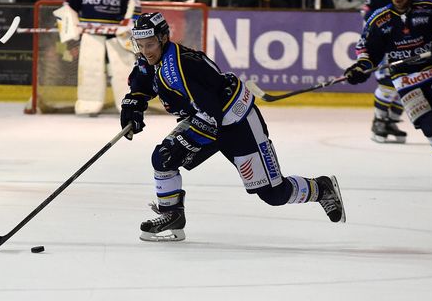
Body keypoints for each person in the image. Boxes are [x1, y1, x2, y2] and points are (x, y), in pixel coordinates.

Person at [121, 12, 346, 242]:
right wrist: (134, 104)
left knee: (274, 194)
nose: (146, 50)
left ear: (163, 38)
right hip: (205, 119)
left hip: (237, 123)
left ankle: (321, 188)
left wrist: (185, 143)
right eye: (140, 44)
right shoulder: (151, 58)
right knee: (164, 158)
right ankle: (172, 216)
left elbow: (212, 115)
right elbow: (143, 82)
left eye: (150, 44)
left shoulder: (182, 67)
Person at [344, 0, 432, 154]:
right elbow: (366, 50)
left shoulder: (429, 7)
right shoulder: (379, 19)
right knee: (430, 128)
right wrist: (361, 67)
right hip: (405, 80)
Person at [362, 0, 432, 142]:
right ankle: (379, 120)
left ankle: (392, 120)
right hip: (392, 42)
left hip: (426, 55)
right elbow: (368, 11)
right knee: (389, 83)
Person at [63, 0, 141, 115]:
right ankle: (88, 103)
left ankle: (128, 105)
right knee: (91, 68)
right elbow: (70, 3)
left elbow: (133, 2)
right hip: (91, 32)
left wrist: (127, 24)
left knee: (124, 69)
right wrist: (73, 25)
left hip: (117, 33)